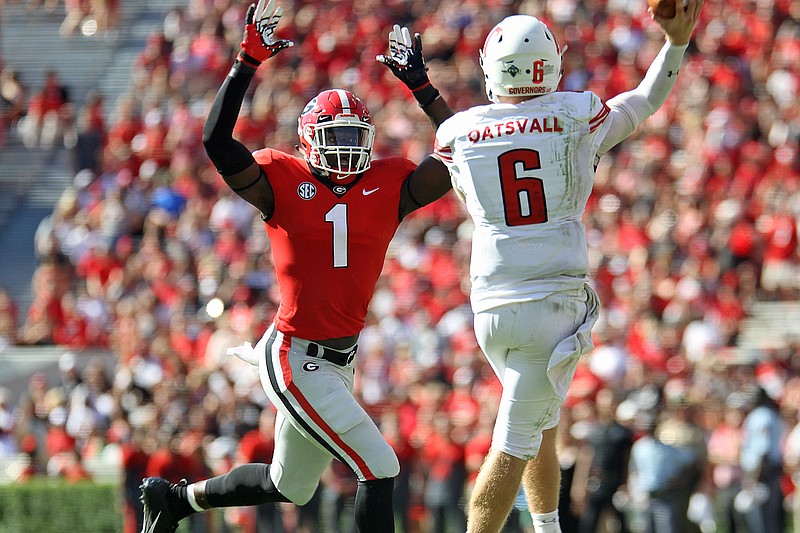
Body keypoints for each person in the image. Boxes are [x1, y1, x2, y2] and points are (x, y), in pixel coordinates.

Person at [137, 1, 453, 532]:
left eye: (356, 137)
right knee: (380, 466)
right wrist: (244, 63)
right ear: (308, 141)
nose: (347, 149)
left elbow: (461, 150)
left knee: (291, 485)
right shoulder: (281, 181)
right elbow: (217, 142)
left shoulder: (389, 184)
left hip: (339, 359)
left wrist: (422, 86)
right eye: (336, 137)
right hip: (293, 355)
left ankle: (176, 501)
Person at [431, 2, 705, 532]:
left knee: (543, 425)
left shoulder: (459, 131)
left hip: (489, 303)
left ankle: (548, 527)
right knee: (513, 443)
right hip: (549, 300)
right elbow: (647, 100)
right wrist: (676, 44)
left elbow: (468, 180)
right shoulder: (575, 113)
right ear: (550, 65)